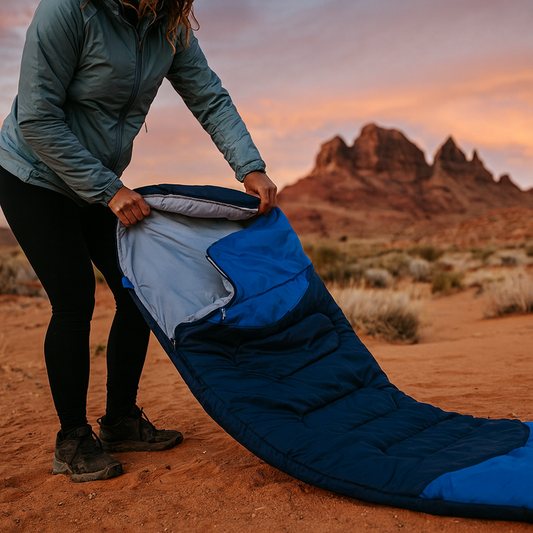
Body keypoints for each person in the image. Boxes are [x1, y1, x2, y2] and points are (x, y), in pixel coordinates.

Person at [0, 0, 277, 483]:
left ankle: (121, 420)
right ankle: (71, 440)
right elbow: (37, 118)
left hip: (98, 181)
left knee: (135, 291)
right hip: (34, 175)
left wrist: (249, 166)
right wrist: (109, 190)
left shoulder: (167, 25)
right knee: (74, 301)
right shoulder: (68, 11)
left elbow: (208, 96)